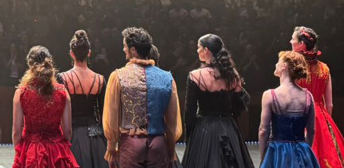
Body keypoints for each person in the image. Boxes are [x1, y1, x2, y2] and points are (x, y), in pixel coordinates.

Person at [102, 27, 181, 168]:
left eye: (125, 46)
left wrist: (111, 147)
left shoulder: (118, 76)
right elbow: (172, 119)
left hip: (131, 143)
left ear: (133, 50)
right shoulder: (167, 78)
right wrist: (170, 147)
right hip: (158, 143)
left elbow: (112, 116)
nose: (123, 49)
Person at [180, 35, 254, 168]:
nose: (197, 51)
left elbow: (189, 111)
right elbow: (240, 104)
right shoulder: (232, 74)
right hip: (228, 126)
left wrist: (189, 135)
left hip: (204, 129)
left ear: (206, 50)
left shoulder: (196, 76)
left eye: (199, 47)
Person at [290, 27, 344, 168]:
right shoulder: (324, 69)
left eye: (293, 39)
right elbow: (330, 104)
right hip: (321, 116)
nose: (290, 41)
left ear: (301, 44)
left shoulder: (294, 68)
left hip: (299, 115)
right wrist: (327, 126)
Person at [12, 46, 77, 168]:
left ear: (30, 65)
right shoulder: (62, 91)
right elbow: (68, 130)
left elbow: (16, 132)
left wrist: (20, 152)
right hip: (57, 150)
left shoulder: (21, 93)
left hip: (31, 150)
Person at [258, 51, 319, 168]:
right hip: (302, 150)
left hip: (277, 152)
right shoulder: (308, 96)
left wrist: (264, 157)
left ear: (284, 66)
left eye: (278, 62)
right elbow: (311, 130)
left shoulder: (270, 95)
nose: (276, 64)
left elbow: (263, 130)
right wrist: (306, 151)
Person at [57, 30, 108, 168]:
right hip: (96, 139)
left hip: (72, 136)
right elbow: (104, 114)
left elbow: (58, 112)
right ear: (89, 53)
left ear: (71, 54)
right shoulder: (100, 79)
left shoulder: (63, 78)